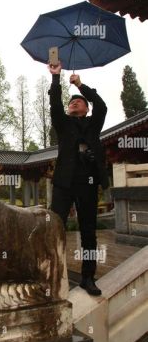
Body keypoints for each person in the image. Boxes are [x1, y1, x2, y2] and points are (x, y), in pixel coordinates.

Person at [48, 61, 109, 296]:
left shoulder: (94, 124)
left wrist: (81, 85)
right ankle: (52, 272)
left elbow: (101, 105)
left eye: (79, 101)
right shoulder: (63, 124)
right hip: (64, 182)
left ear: (86, 108)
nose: (74, 102)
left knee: (88, 231)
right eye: (71, 101)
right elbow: (55, 103)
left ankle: (87, 277)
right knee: (55, 227)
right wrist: (56, 77)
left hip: (89, 182)